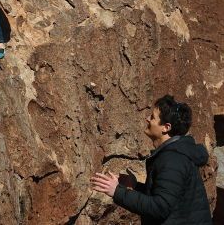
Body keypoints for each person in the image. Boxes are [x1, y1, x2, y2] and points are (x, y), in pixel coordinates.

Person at [90, 95, 212, 224]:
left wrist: (117, 192)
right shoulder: (174, 154)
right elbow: (170, 197)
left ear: (166, 127)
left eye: (152, 117)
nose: (147, 119)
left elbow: (160, 207)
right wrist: (136, 186)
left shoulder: (173, 160)